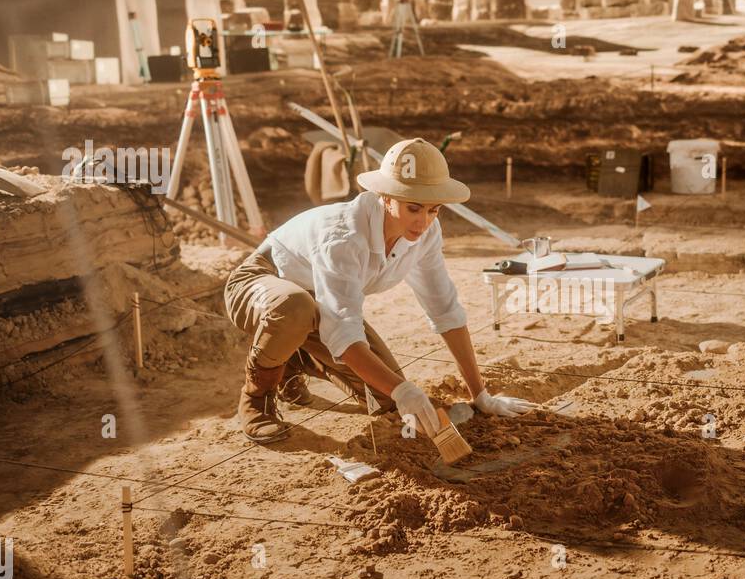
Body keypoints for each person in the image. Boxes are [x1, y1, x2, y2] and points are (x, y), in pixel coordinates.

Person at [224, 137, 534, 444]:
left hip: (319, 304)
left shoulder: (425, 235)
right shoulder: (343, 236)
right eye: (413, 208)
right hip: (260, 285)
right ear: (385, 196)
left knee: (385, 398)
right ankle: (256, 399)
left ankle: (293, 358)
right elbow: (344, 334)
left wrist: (479, 394)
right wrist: (403, 389)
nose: (423, 222)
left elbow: (445, 309)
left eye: (433, 210)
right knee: (295, 308)